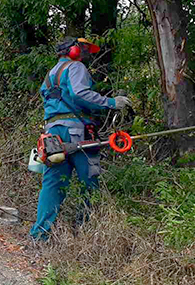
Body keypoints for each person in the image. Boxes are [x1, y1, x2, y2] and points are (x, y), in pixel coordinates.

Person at [30, 37, 132, 240]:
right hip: (77, 132)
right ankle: (85, 233)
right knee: (90, 181)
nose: (87, 54)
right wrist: (112, 102)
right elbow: (79, 94)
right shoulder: (76, 67)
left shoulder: (50, 75)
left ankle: (39, 236)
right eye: (84, 49)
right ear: (73, 50)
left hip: (53, 135)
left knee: (53, 184)